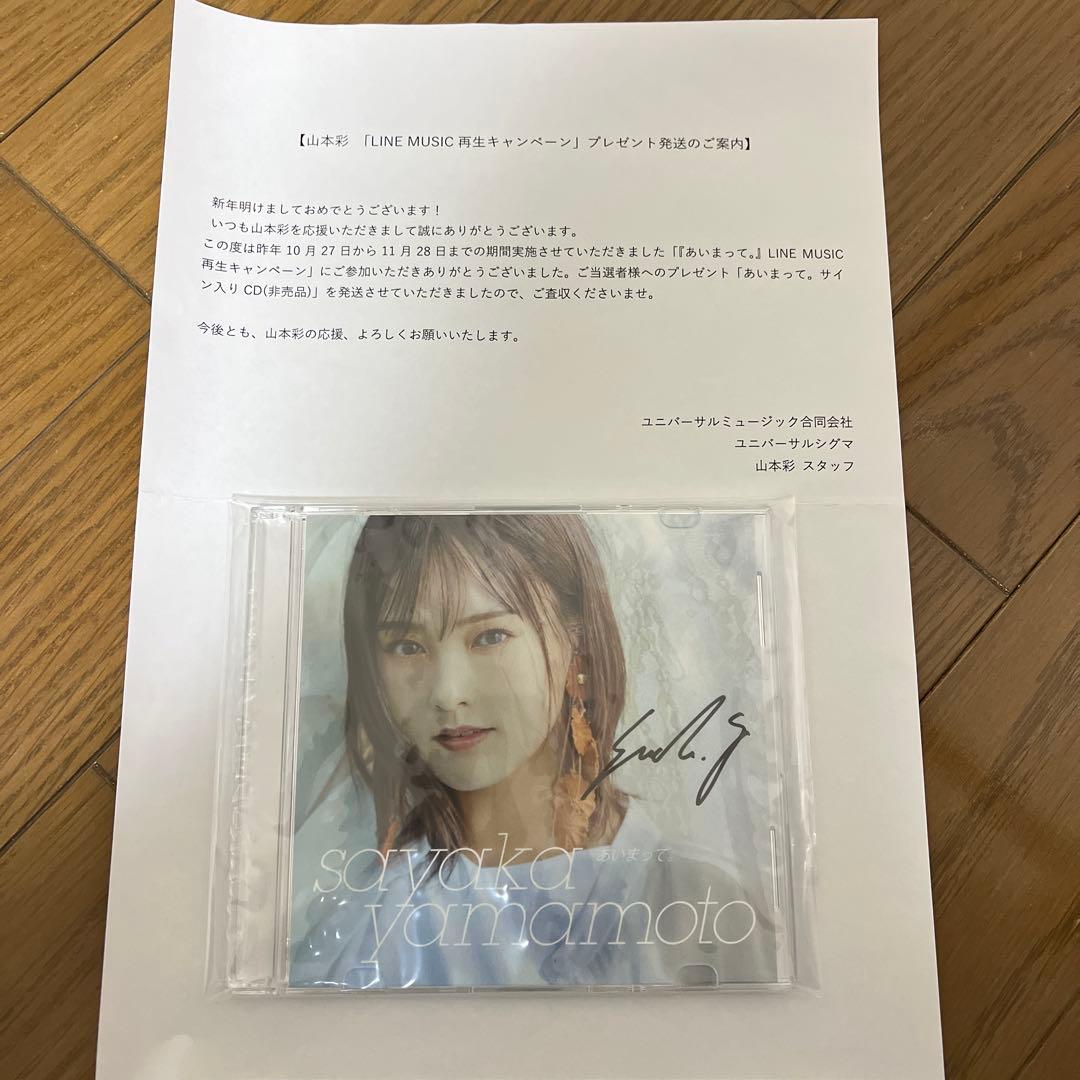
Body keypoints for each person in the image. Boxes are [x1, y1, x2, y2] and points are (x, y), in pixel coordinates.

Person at [289, 514, 778, 989]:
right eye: (406, 646)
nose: (447, 692)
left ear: (576, 643)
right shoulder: (361, 936)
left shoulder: (707, 911)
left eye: (489, 637)